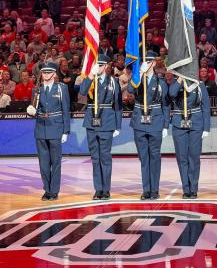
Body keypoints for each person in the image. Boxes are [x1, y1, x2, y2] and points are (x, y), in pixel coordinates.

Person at [127, 51, 170, 200]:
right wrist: (139, 73)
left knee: (155, 157)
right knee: (144, 158)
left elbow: (166, 105)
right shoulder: (138, 79)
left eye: (150, 61)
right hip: (139, 121)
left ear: (154, 63)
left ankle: (155, 190)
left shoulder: (161, 82)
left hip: (156, 121)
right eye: (146, 62)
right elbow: (130, 90)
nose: (148, 64)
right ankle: (146, 189)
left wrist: (165, 125)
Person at [80, 54, 122, 200]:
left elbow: (118, 105)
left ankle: (106, 189)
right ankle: (98, 189)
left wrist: (118, 125)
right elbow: (82, 92)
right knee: (95, 158)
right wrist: (91, 75)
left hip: (107, 120)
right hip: (92, 120)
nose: (98, 68)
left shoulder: (113, 82)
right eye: (96, 65)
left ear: (105, 66)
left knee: (105, 157)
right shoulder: (91, 80)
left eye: (100, 65)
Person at [26, 62, 70, 201]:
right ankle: (47, 190)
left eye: (48, 72)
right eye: (43, 72)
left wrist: (65, 131)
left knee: (56, 162)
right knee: (43, 163)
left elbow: (65, 110)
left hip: (56, 128)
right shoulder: (36, 89)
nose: (45, 75)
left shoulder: (61, 88)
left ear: (54, 74)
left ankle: (54, 191)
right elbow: (34, 108)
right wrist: (31, 112)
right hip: (40, 128)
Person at [169, 76, 210, 198]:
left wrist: (206, 127)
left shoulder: (199, 85)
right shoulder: (175, 83)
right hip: (178, 123)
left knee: (194, 157)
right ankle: (186, 188)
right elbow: (171, 93)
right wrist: (180, 79)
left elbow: (206, 107)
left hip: (196, 123)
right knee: (182, 158)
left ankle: (193, 188)